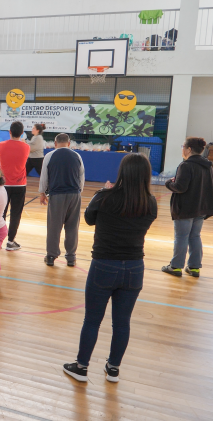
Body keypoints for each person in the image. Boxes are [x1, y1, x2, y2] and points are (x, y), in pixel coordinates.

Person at [63, 153, 158, 384]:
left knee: (92, 320)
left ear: (122, 172)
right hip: (134, 268)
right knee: (122, 322)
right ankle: (113, 368)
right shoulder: (150, 202)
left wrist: (101, 192)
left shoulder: (105, 197)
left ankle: (81, 367)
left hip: (104, 265)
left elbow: (88, 218)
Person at [161, 137, 213, 278]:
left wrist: (168, 183)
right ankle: (194, 267)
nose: (182, 149)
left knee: (181, 237)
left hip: (185, 208)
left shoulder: (186, 165)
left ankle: (175, 267)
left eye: (183, 147)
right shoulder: (208, 166)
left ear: (189, 149)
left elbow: (180, 187)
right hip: (200, 207)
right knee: (195, 236)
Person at [38, 133, 85, 267]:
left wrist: (42, 192)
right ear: (69, 143)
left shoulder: (49, 156)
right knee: (72, 227)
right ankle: (71, 257)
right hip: (74, 194)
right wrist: (78, 192)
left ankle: (51, 256)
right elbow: (81, 177)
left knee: (54, 227)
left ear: (55, 143)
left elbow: (44, 177)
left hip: (57, 195)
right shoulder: (77, 156)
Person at [0, 121, 30, 251]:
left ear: (9, 132)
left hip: (3, 184)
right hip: (19, 185)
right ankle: (10, 242)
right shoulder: (26, 147)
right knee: (16, 214)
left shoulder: (1, 145)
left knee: (1, 213)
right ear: (22, 133)